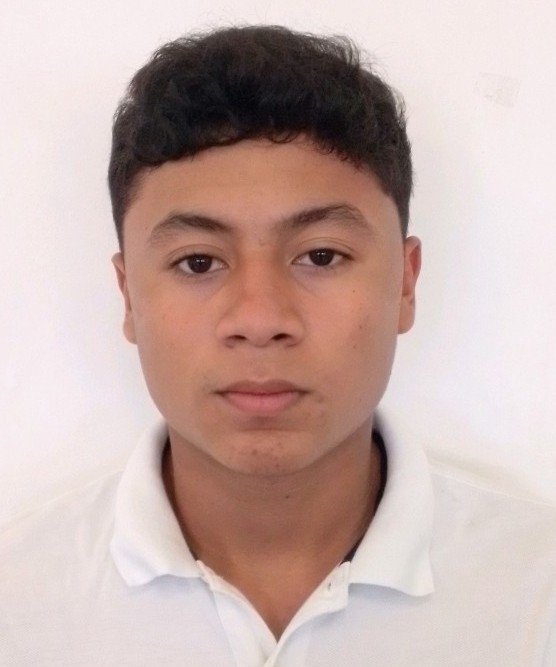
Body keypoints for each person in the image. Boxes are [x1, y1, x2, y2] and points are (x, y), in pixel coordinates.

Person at [1, 24, 555, 666]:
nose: (260, 320)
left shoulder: (536, 596)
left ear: (405, 284)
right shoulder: (19, 605)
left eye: (321, 255)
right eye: (198, 262)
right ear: (128, 297)